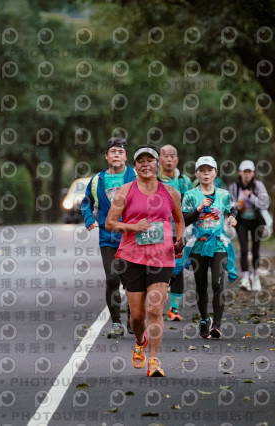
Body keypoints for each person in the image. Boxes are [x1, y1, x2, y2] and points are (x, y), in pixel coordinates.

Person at [106, 145, 185, 377]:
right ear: (135, 166)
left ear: (157, 165)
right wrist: (133, 227)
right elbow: (110, 223)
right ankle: (140, 341)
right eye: (141, 161)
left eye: (150, 160)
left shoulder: (170, 192)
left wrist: (179, 240)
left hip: (162, 257)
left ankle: (154, 360)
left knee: (155, 308)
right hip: (132, 257)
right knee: (138, 316)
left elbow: (179, 220)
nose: (146, 164)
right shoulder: (125, 191)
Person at [81, 137, 136, 339]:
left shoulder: (135, 176)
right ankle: (116, 323)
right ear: (106, 156)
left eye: (120, 152)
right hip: (108, 236)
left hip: (131, 236)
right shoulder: (98, 180)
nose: (116, 155)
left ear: (126, 156)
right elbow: (86, 202)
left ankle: (133, 318)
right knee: (112, 279)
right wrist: (89, 218)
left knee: (132, 281)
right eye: (113, 151)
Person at [180, 156, 237, 339]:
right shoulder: (190, 195)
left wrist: (232, 217)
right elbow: (184, 219)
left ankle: (217, 324)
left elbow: (232, 209)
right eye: (202, 170)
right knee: (201, 285)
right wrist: (198, 209)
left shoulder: (223, 194)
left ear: (215, 173)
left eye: (209, 170)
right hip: (198, 245)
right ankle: (205, 319)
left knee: (217, 284)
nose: (206, 174)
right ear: (196, 173)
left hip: (219, 244)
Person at [157, 144, 193, 321]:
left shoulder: (184, 182)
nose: (169, 159)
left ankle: (174, 309)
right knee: (158, 271)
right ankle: (155, 307)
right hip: (157, 233)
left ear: (177, 160)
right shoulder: (153, 180)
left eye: (172, 156)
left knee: (177, 270)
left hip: (178, 231)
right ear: (159, 159)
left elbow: (191, 206)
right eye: (165, 156)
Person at [228, 160, 270, 291]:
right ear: (240, 173)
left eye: (249, 172)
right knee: (244, 249)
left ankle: (255, 276)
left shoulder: (258, 186)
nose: (246, 174)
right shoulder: (234, 187)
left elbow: (265, 204)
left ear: (253, 173)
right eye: (244, 171)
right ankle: (245, 277)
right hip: (242, 221)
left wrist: (251, 196)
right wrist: (236, 206)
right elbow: (229, 203)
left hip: (257, 221)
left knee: (255, 249)